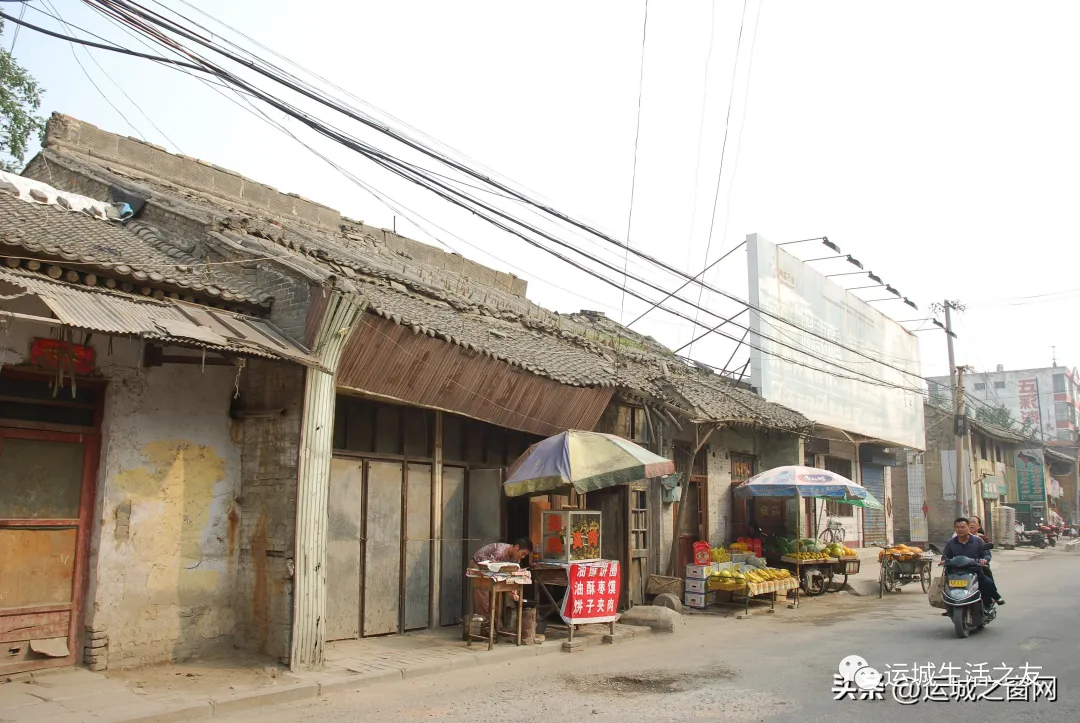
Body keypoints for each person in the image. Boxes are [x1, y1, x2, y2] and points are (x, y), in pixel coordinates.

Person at [469, 537, 533, 633]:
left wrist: (514, 592)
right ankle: (485, 628)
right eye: (523, 553)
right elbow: (491, 570)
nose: (523, 557)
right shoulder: (499, 552)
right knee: (483, 599)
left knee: (497, 599)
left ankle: (496, 626)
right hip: (480, 567)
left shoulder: (516, 560)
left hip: (497, 573)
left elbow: (511, 576)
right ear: (516, 547)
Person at [940, 517, 1003, 614]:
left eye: (962, 527)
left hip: (974, 570)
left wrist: (984, 560)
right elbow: (945, 556)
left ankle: (988, 603)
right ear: (954, 529)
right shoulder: (950, 543)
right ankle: (950, 606)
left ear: (968, 528)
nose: (960, 529)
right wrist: (943, 561)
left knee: (987, 583)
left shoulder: (978, 541)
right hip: (955, 571)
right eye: (957, 527)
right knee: (945, 585)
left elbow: (986, 554)